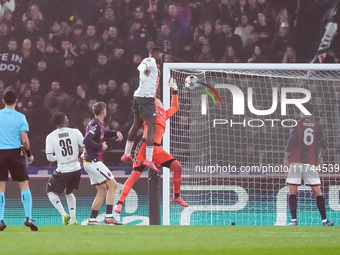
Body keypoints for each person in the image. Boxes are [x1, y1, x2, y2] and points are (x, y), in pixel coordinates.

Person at [115, 78, 188, 214]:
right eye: (158, 100)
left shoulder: (163, 114)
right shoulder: (148, 112)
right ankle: (119, 203)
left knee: (177, 167)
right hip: (144, 148)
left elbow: (175, 107)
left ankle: (176, 196)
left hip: (158, 150)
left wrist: (175, 91)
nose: (159, 101)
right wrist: (156, 78)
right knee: (135, 176)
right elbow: (152, 96)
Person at [284, 102, 334, 226]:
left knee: (292, 191)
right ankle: (324, 220)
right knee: (317, 191)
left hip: (295, 161)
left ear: (303, 111)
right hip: (311, 163)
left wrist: (285, 158)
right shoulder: (317, 125)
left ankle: (293, 220)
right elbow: (324, 146)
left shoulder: (296, 123)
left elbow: (290, 142)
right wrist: (321, 157)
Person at [0, 89, 38, 231]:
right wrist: (29, 154)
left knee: (0, 187)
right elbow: (25, 140)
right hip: (16, 153)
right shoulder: (21, 117)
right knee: (24, 185)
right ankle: (28, 217)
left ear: (3, 100)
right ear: (16, 101)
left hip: (0, 154)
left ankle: (0, 220)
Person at [121, 46, 162, 172]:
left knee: (137, 124)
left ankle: (127, 154)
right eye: (159, 54)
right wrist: (144, 69)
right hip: (145, 98)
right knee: (151, 127)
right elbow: (141, 66)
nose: (161, 56)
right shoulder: (150, 60)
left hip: (139, 97)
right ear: (154, 54)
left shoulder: (155, 66)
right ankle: (149, 159)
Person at [83, 101, 123, 225]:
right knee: (113, 185)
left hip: (90, 162)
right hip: (93, 161)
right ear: (104, 111)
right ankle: (109, 216)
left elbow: (104, 132)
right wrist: (101, 146)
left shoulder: (97, 124)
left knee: (102, 190)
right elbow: (86, 140)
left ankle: (92, 219)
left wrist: (115, 132)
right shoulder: (95, 125)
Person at [45, 112, 84, 225]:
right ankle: (73, 219)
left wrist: (60, 157)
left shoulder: (50, 136)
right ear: (62, 122)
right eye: (66, 118)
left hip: (63, 170)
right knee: (69, 192)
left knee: (50, 190)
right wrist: (81, 157)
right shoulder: (75, 132)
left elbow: (50, 157)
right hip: (76, 169)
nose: (68, 120)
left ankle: (63, 214)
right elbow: (86, 146)